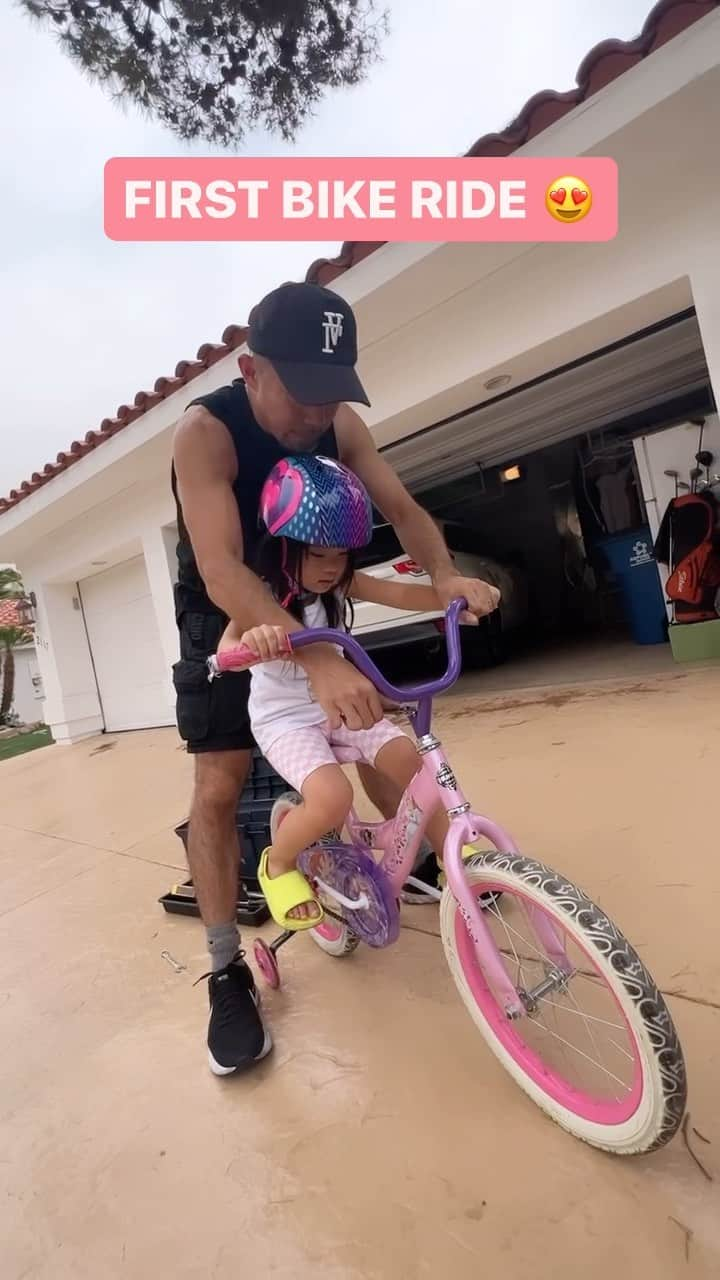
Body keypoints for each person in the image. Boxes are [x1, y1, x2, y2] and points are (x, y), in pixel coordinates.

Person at [171, 280, 501, 1076]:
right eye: (304, 393)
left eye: (334, 392)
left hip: (315, 598)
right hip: (228, 615)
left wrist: (447, 576)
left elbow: (401, 505)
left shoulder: (338, 423)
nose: (319, 414)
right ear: (253, 371)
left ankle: (416, 863)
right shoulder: (206, 433)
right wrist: (309, 657)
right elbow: (221, 567)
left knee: (388, 743)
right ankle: (224, 972)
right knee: (219, 785)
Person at [220, 455, 480, 928]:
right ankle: (277, 864)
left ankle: (456, 867)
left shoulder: (339, 583)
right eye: (317, 554)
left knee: (412, 762)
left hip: (338, 704)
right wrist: (251, 642)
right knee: (332, 798)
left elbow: (399, 594)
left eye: (340, 554)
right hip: (286, 721)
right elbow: (228, 644)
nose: (329, 567)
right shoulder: (259, 594)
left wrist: (453, 596)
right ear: (282, 545)